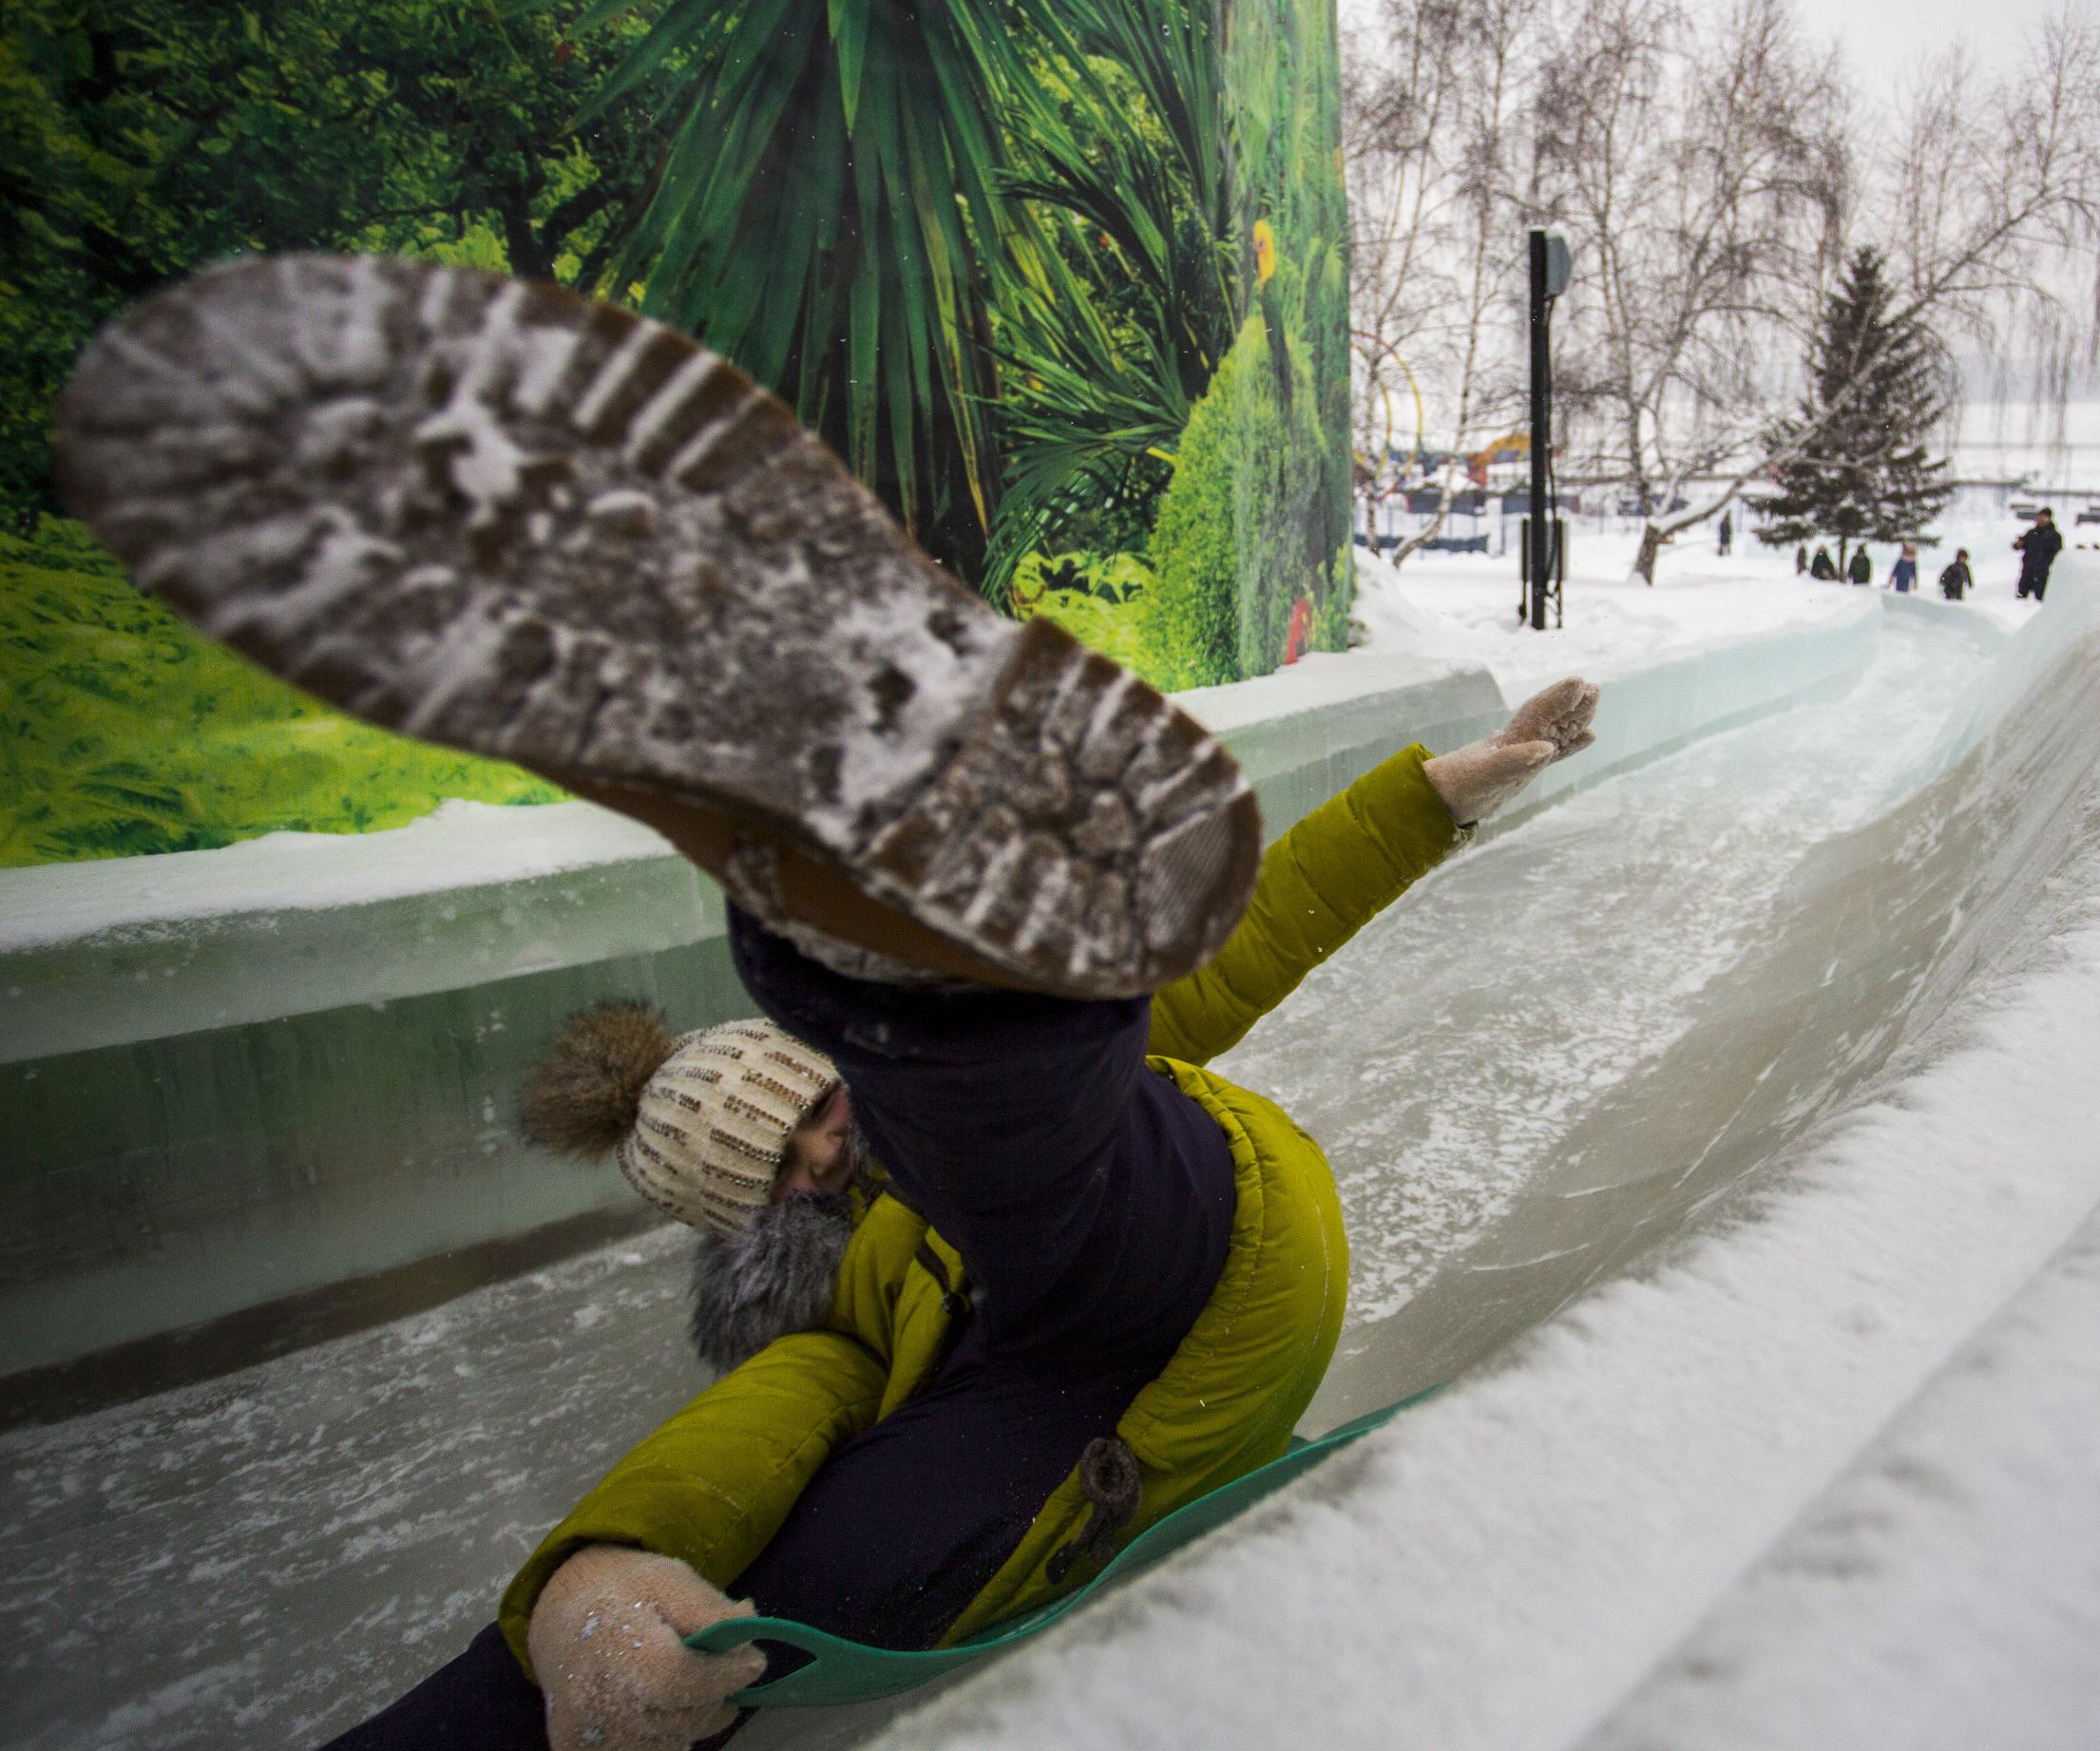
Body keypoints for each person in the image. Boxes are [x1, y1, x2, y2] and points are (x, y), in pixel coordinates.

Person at [54, 253, 1603, 1751]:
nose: (815, 1152)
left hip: (1187, 1220)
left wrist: (1434, 797)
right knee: (777, 1604)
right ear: (755, 1225)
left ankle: (915, 939)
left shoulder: (927, 1142)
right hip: (1082, 1368)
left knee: (1032, 1135)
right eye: (780, 1171)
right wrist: (587, 1588)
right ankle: (860, 902)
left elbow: (1239, 940)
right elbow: (734, 1443)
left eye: (799, 1111)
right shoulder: (834, 1322)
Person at [2014, 509, 2062, 600]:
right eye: (2039, 517)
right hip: (2027, 571)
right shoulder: (2031, 533)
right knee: (2020, 597)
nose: (2041, 520)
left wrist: (2045, 562)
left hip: (2042, 573)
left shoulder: (2055, 536)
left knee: (2040, 599)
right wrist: (2018, 544)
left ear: (2049, 519)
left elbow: (2058, 553)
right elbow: (2019, 545)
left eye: (2044, 518)